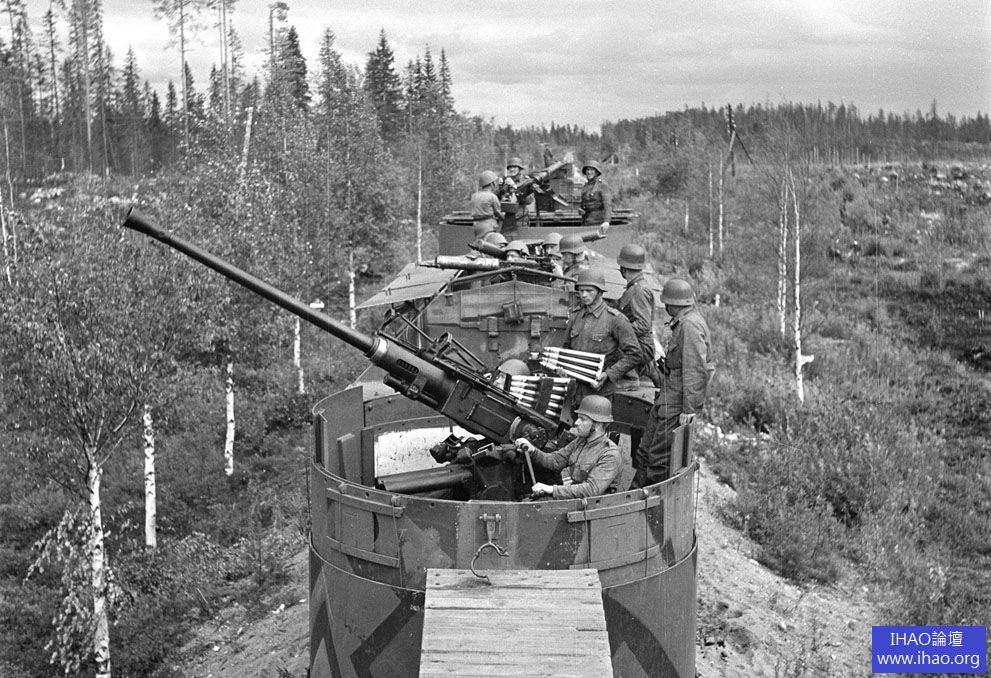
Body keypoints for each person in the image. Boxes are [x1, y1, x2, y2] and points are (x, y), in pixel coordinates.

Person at [632, 278, 714, 487]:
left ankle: (651, 500)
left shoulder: (689, 325)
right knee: (645, 450)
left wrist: (689, 408)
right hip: (668, 398)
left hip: (676, 404)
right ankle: (634, 493)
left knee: (659, 459)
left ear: (673, 303)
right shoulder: (685, 322)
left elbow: (695, 370)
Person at [515, 395, 622, 499]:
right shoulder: (580, 442)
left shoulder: (610, 454)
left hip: (594, 507)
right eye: (578, 418)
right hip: (574, 500)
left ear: (597, 425)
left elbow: (591, 490)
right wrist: (532, 450)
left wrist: (552, 489)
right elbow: (555, 460)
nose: (576, 423)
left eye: (582, 419)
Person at [564, 268, 641, 401]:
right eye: (581, 291)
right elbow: (566, 348)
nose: (584, 295)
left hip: (600, 393)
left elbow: (635, 354)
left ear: (600, 292)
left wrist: (609, 374)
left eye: (589, 291)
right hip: (574, 390)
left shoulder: (615, 319)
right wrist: (564, 368)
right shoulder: (575, 317)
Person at [617, 243, 662, 387]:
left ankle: (630, 379)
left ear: (624, 268)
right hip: (639, 343)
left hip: (641, 346)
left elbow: (643, 324)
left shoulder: (639, 291)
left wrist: (618, 330)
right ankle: (647, 369)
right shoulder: (634, 288)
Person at [580, 160, 612, 232]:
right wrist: (581, 210)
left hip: (599, 222)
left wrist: (606, 221)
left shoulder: (602, 186)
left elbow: (608, 205)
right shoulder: (585, 186)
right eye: (587, 170)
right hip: (586, 221)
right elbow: (583, 205)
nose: (589, 172)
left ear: (597, 172)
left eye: (592, 170)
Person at [470, 170, 503, 236]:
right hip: (489, 225)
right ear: (492, 184)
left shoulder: (474, 196)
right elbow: (498, 213)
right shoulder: (492, 197)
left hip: (476, 225)